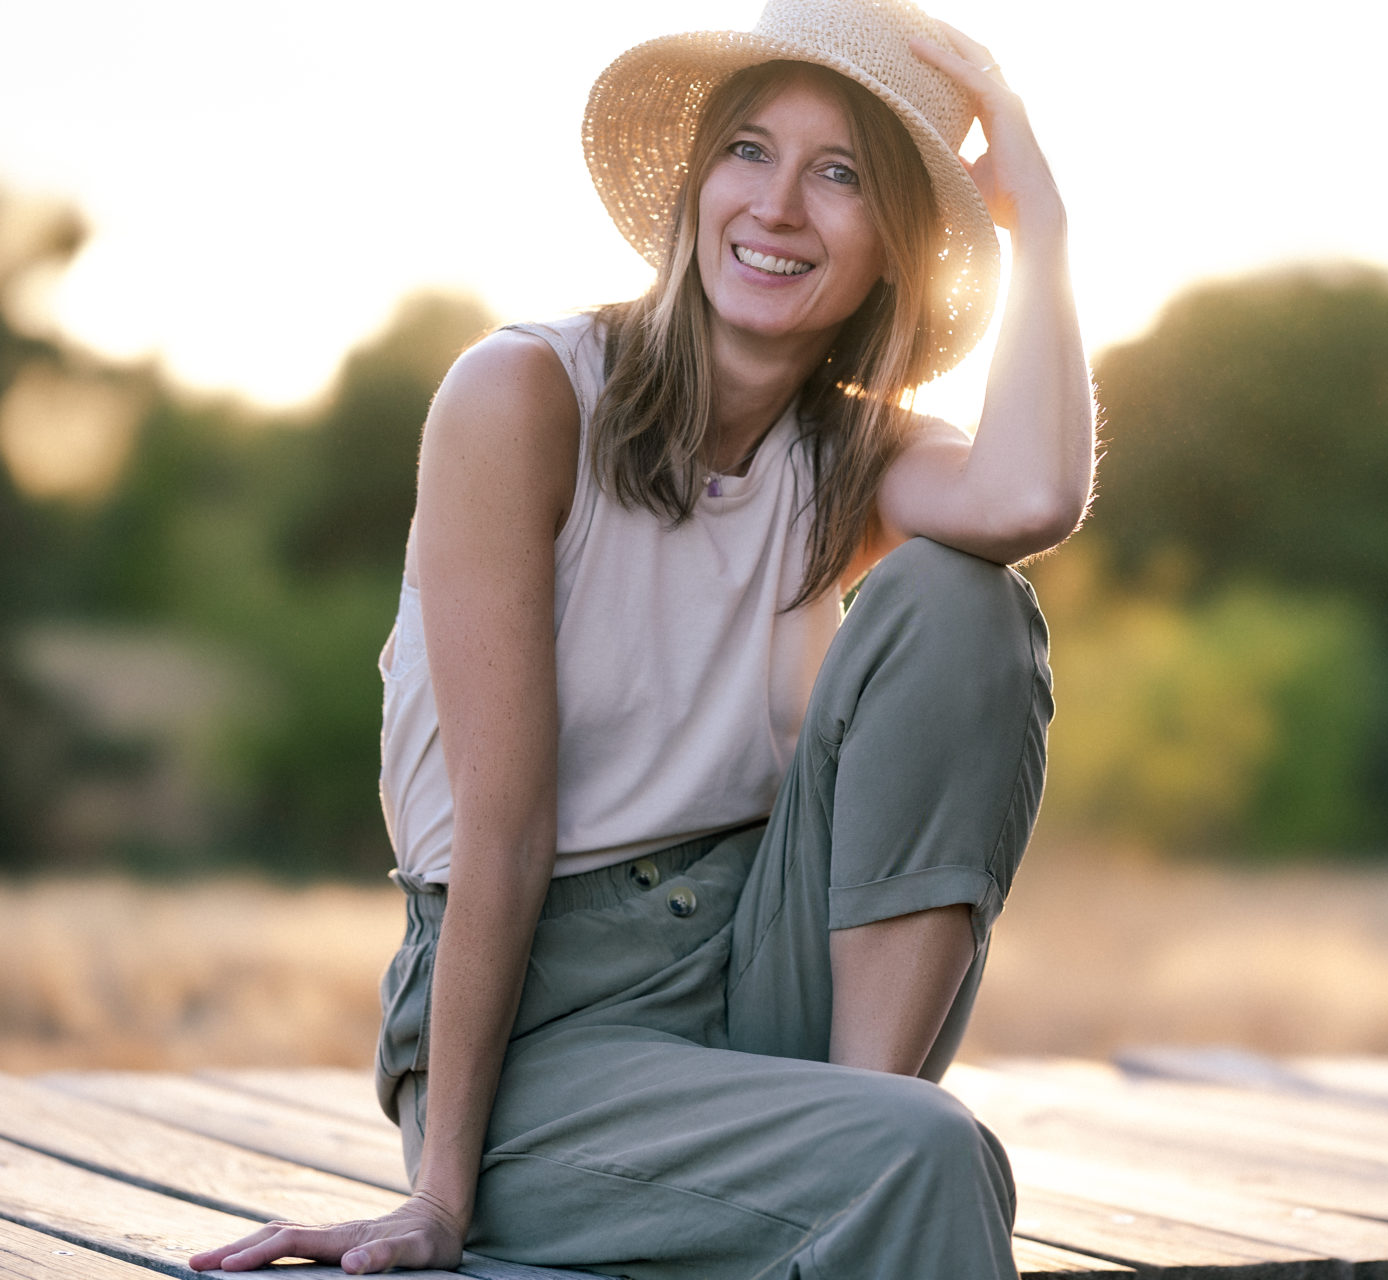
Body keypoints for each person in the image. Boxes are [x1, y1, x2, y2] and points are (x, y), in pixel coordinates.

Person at [190, 0, 1093, 1276]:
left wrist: (1040, 225)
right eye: (751, 152)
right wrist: (440, 1195)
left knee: (966, 601)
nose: (780, 206)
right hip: (545, 1035)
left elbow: (1029, 502)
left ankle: (851, 1128)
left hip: (763, 952)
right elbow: (500, 826)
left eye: (840, 175)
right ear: (694, 183)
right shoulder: (524, 397)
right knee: (931, 1151)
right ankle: (863, 1159)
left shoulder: (853, 450)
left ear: (894, 244)